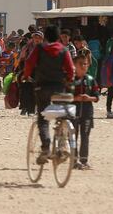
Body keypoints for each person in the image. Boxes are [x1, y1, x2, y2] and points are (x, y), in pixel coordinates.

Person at [24, 25, 75, 165]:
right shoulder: (64, 50)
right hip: (59, 88)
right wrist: (69, 80)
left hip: (42, 88)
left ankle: (46, 147)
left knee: (43, 118)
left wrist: (26, 75)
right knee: (63, 113)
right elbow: (71, 70)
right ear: (59, 37)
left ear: (45, 36)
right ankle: (63, 143)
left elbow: (29, 63)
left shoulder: (40, 49)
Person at [72, 54, 99, 170]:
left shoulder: (91, 80)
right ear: (74, 65)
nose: (84, 66)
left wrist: (89, 98)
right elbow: (64, 95)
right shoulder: (70, 80)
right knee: (73, 136)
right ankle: (73, 160)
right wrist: (75, 98)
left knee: (85, 136)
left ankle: (84, 160)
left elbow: (96, 97)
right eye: (81, 63)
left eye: (86, 63)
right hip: (73, 112)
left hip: (87, 113)